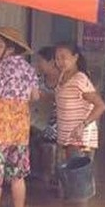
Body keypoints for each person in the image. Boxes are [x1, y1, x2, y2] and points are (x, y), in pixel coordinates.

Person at [0, 26, 40, 207]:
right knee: (18, 176)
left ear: (10, 49)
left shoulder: (0, 69)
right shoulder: (29, 69)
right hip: (20, 131)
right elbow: (35, 96)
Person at [54, 42, 105, 161]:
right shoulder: (62, 77)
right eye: (57, 58)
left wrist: (83, 125)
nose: (59, 62)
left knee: (78, 172)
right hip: (65, 138)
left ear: (75, 57)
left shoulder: (80, 79)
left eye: (63, 57)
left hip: (79, 139)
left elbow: (101, 106)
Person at [31, 46, 59, 189]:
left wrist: (48, 97)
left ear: (52, 62)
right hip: (39, 120)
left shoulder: (63, 80)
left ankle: (49, 176)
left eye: (40, 61)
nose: (38, 65)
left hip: (57, 123)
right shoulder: (38, 80)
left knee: (49, 137)